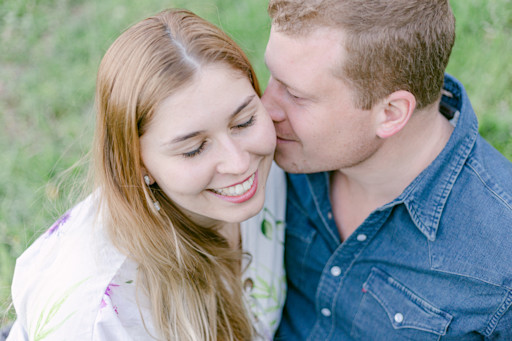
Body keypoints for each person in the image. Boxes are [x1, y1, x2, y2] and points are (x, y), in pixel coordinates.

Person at [7, 8, 286, 341]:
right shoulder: (96, 317)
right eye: (194, 149)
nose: (239, 163)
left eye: (243, 122)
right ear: (138, 164)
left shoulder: (273, 169)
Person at [261, 0, 512, 340]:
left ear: (391, 113)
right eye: (272, 76)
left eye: (294, 94)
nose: (264, 108)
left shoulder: (501, 259)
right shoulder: (261, 153)